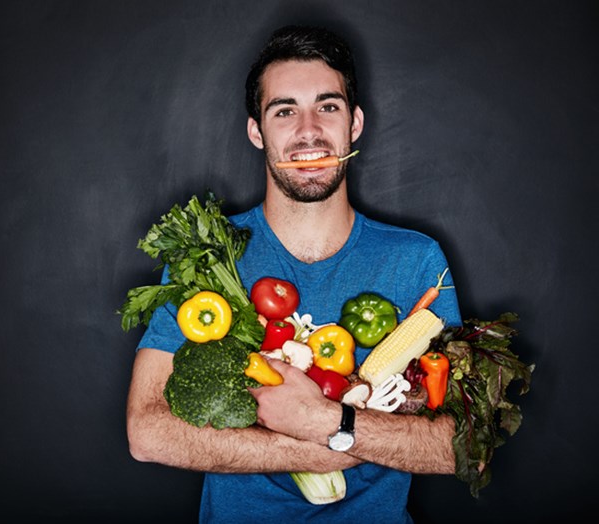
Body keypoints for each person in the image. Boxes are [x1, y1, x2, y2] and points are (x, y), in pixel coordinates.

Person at [126, 24, 461, 523]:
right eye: (285, 111)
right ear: (256, 131)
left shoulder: (417, 262)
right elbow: (146, 432)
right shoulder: (208, 256)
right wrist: (320, 445)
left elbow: (457, 447)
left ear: (355, 124)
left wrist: (326, 419)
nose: (308, 131)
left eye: (328, 106)